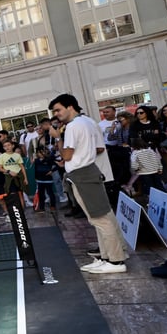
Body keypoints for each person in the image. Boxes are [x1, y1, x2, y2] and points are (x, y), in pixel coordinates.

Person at [49, 94, 130, 274]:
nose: (56, 114)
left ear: (70, 107)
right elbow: (97, 148)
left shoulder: (73, 126)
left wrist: (57, 138)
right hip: (88, 172)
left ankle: (116, 261)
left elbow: (66, 155)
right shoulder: (88, 121)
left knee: (100, 219)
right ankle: (108, 256)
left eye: (58, 110)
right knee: (104, 216)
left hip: (83, 174)